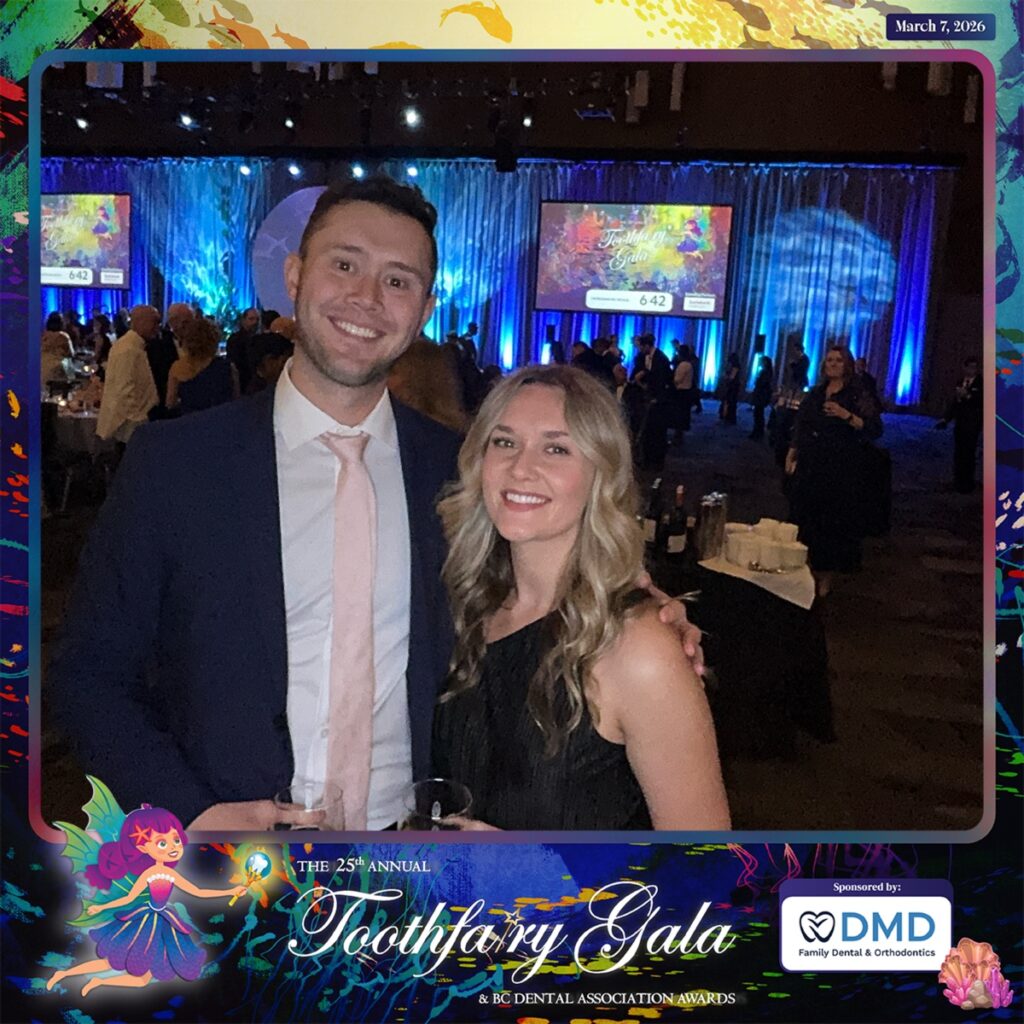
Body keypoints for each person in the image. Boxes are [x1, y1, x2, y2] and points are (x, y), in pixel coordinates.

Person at [48, 175, 702, 833]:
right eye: (344, 264)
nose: (366, 296)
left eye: (398, 280)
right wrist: (191, 814)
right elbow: (89, 672)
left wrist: (650, 625)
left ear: (423, 310)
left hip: (412, 856)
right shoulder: (176, 463)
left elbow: (555, 578)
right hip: (229, 850)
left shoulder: (462, 473)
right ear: (295, 276)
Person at [432, 366, 730, 831]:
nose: (521, 468)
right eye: (504, 442)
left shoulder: (639, 648)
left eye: (556, 448)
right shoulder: (467, 603)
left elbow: (706, 860)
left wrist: (528, 865)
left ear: (601, 475)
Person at [46, 804, 245, 996]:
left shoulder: (171, 874)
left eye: (176, 839)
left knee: (142, 980)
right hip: (144, 922)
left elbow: (198, 892)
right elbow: (129, 898)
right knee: (109, 962)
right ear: (143, 847)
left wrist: (231, 891)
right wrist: (101, 907)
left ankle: (98, 982)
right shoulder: (150, 874)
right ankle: (64, 974)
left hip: (162, 924)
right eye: (162, 843)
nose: (173, 847)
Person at [785, 345, 882, 597]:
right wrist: (793, 451)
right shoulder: (817, 393)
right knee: (806, 517)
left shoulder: (857, 394)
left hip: (840, 465)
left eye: (838, 360)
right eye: (829, 360)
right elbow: (801, 424)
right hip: (812, 462)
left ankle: (825, 576)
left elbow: (874, 428)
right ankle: (804, 570)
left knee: (831, 523)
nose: (833, 364)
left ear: (847, 364)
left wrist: (846, 415)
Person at [95, 304, 160, 444]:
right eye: (155, 322)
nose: (158, 327)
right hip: (129, 429)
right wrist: (139, 422)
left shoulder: (131, 345)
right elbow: (124, 391)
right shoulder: (128, 349)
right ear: (140, 322)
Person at [166, 317, 238, 415]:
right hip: (220, 419)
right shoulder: (227, 367)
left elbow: (170, 403)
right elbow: (235, 400)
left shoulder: (177, 368)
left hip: (190, 420)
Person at [935, 356, 982, 493]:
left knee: (969, 453)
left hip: (972, 423)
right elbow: (955, 403)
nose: (973, 370)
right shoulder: (961, 382)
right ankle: (957, 481)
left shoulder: (981, 383)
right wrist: (946, 419)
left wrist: (967, 395)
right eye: (970, 367)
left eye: (975, 367)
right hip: (960, 423)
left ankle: (967, 484)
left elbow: (981, 402)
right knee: (959, 453)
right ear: (964, 368)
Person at [225, 306, 260, 393]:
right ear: (243, 320)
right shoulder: (235, 340)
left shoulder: (259, 340)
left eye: (257, 319)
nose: (255, 322)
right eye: (251, 319)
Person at [41, 311, 74, 389]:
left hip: (42, 366)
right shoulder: (63, 336)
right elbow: (71, 353)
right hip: (58, 368)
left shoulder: (43, 335)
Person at [749, 355, 774, 440]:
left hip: (761, 395)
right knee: (759, 413)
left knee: (758, 414)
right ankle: (758, 431)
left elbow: (762, 383)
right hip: (762, 394)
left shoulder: (765, 372)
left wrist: (757, 381)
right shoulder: (767, 372)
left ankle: (758, 432)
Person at [718, 352, 742, 425]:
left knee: (730, 401)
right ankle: (730, 417)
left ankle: (729, 417)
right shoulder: (736, 366)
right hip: (734, 386)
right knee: (731, 402)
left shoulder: (735, 367)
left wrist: (725, 377)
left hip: (732, 386)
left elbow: (732, 377)